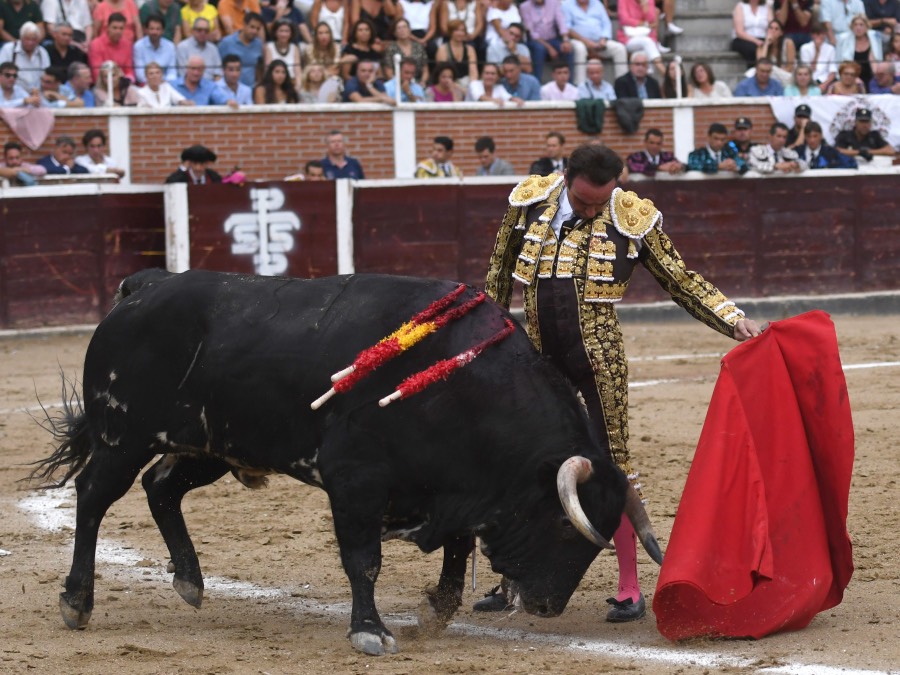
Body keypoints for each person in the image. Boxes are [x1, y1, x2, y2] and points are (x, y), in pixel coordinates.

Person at [481, 143, 761, 620]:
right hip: (537, 359)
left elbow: (680, 279)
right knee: (524, 461)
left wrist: (731, 319)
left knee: (613, 464)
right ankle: (512, 579)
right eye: (584, 202)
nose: (593, 211)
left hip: (599, 358)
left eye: (601, 202)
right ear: (565, 177)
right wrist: (489, 337)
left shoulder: (631, 215)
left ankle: (629, 586)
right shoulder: (529, 201)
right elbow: (498, 275)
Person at [564, 0, 629, 83]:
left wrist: (603, 39)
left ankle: (622, 84)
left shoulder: (597, 3)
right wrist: (587, 42)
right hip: (577, 40)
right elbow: (567, 28)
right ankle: (580, 85)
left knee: (620, 49)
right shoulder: (567, 5)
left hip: (599, 41)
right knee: (580, 49)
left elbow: (606, 23)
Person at [519, 0, 574, 82]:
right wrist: (549, 48)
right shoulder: (525, 7)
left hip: (552, 38)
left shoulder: (554, 2)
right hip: (535, 40)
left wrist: (565, 40)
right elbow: (531, 33)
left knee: (567, 48)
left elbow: (561, 22)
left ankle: (569, 83)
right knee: (540, 49)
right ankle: (537, 81)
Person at [616, 0, 670, 73]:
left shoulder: (649, 1)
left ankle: (650, 73)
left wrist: (645, 9)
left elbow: (652, 20)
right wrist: (644, 24)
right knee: (647, 42)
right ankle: (662, 70)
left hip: (647, 36)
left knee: (644, 52)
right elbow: (624, 20)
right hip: (627, 38)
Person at [217, 11, 264, 88]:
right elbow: (218, 67)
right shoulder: (226, 42)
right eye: (252, 27)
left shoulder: (258, 44)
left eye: (258, 29)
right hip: (229, 89)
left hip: (251, 89)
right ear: (244, 25)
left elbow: (258, 68)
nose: (254, 31)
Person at [0, 21, 50, 91]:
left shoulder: (42, 52)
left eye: (33, 39)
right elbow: (2, 74)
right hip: (14, 92)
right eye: (27, 39)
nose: (30, 43)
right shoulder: (8, 49)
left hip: (38, 93)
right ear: (21, 38)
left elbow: (47, 75)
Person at [836, 13, 882, 86]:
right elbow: (839, 63)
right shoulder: (843, 40)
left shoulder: (874, 39)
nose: (858, 27)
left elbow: (876, 62)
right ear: (852, 27)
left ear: (866, 26)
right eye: (855, 25)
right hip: (851, 78)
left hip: (870, 77)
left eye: (861, 25)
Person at [88, 13, 135, 81]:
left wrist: (127, 80)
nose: (118, 31)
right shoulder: (96, 44)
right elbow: (97, 74)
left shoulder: (127, 45)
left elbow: (129, 71)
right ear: (108, 27)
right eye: (114, 28)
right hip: (103, 84)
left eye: (121, 28)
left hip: (123, 83)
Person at [133, 13, 177, 84]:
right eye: (152, 29)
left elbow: (172, 72)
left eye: (158, 29)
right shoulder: (139, 46)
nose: (154, 32)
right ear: (146, 30)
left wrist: (164, 82)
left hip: (165, 84)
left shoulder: (170, 46)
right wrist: (154, 83)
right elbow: (140, 74)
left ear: (163, 31)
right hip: (145, 85)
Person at [382, 17, 429, 84]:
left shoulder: (419, 47)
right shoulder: (390, 48)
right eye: (399, 28)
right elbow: (389, 72)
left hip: (417, 83)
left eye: (404, 27)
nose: (402, 30)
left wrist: (422, 82)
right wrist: (399, 84)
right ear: (394, 32)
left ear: (409, 30)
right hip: (397, 83)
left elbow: (425, 70)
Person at [434, 19, 478, 87]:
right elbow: (443, 73)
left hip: (466, 82)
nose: (460, 33)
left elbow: (473, 72)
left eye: (462, 31)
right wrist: (457, 87)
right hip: (448, 83)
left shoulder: (470, 49)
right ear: (451, 32)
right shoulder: (443, 49)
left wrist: (472, 86)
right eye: (457, 30)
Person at [731, 0, 772, 68]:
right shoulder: (740, 6)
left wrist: (767, 40)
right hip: (743, 39)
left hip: (763, 38)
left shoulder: (766, 7)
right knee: (752, 49)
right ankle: (755, 71)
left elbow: (771, 26)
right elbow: (739, 32)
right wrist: (756, 41)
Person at [757, 18, 796, 86]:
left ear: (781, 33)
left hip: (786, 75)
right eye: (771, 28)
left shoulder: (788, 43)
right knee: (751, 71)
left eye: (776, 29)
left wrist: (777, 72)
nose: (773, 31)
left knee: (772, 69)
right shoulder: (761, 46)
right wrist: (766, 44)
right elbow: (761, 64)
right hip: (769, 75)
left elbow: (790, 67)